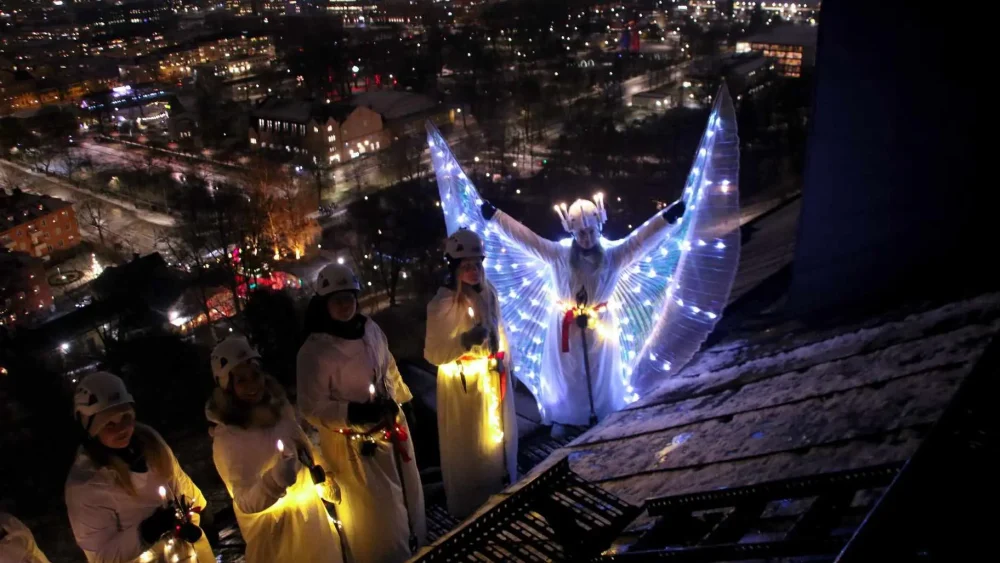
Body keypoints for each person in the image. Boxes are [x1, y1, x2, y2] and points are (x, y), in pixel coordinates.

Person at [482, 194, 685, 430]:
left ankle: (602, 414)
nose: (587, 239)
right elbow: (525, 238)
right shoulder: (558, 254)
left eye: (591, 233)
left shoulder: (613, 256)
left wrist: (668, 217)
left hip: (600, 325)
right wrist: (496, 216)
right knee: (568, 374)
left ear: (599, 229)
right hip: (565, 326)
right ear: (572, 233)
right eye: (581, 234)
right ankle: (566, 418)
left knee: (602, 372)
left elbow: (642, 239)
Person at [297, 263, 426, 563]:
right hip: (354, 446)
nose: (345, 305)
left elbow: (389, 367)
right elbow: (310, 405)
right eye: (336, 299)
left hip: (392, 430)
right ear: (324, 304)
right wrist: (351, 412)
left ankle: (416, 547)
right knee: (377, 514)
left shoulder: (370, 329)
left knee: (408, 495)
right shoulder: (315, 351)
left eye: (349, 297)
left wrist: (405, 401)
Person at [206, 336, 346, 563]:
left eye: (255, 375)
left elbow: (304, 447)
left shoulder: (279, 409)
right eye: (241, 380)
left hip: (314, 526)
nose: (253, 385)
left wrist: (323, 474)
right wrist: (275, 480)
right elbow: (244, 501)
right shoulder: (228, 437)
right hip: (278, 542)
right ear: (227, 386)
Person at [65, 372, 214, 563]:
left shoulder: (150, 442)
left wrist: (200, 511)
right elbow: (101, 557)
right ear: (90, 429)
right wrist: (145, 532)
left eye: (125, 416)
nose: (122, 428)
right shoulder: (86, 485)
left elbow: (180, 482)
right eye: (109, 423)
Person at [424, 229, 517, 518]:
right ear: (454, 269)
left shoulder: (488, 292)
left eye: (477, 264)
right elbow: (434, 353)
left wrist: (505, 360)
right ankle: (475, 504)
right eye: (466, 266)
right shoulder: (443, 304)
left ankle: (504, 486)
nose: (474, 271)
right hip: (464, 385)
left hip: (492, 374)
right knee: (472, 446)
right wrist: (464, 341)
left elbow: (498, 328)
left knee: (499, 440)